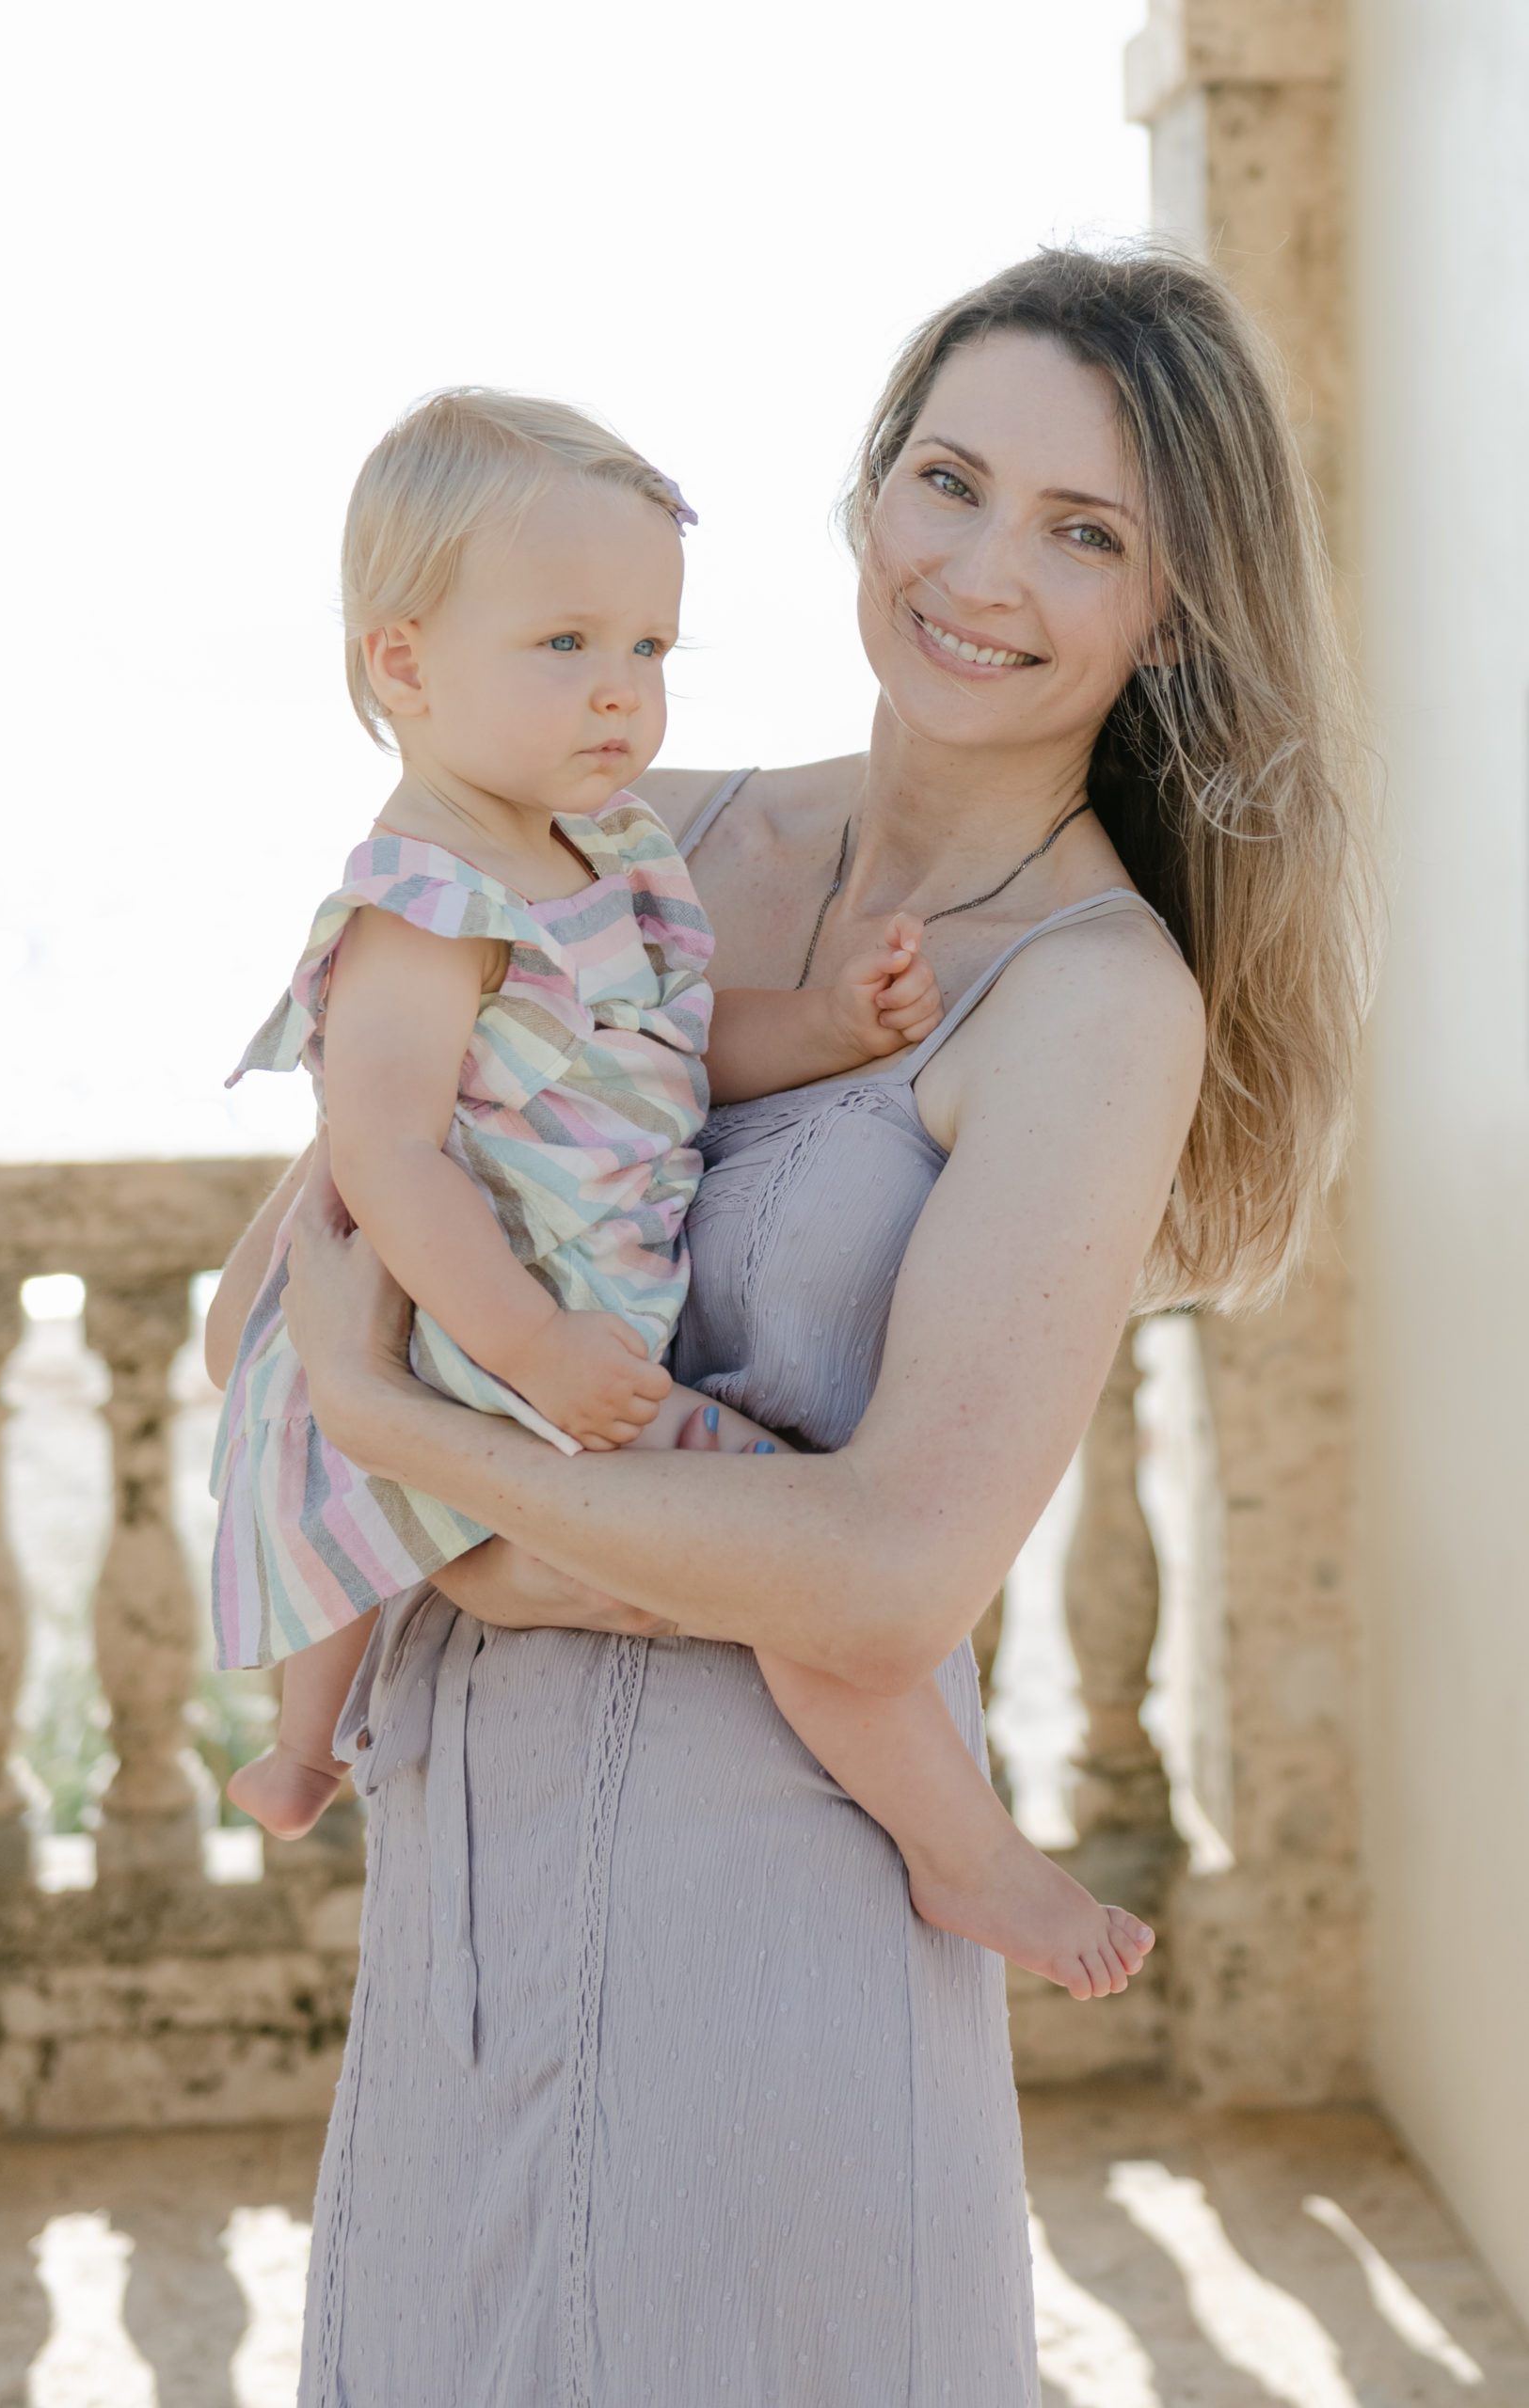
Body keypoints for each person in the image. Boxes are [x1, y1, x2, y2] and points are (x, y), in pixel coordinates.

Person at [207, 246, 1373, 2407]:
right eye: (950, 478)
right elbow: (273, 1296)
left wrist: (407, 1441)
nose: (982, 567)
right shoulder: (630, 837)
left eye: (1085, 529)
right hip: (469, 1906)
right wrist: (431, 1466)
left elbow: (897, 1569)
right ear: (869, 496)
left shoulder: (1093, 1003)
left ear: (1171, 605)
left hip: (776, 1945)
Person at [212, 384, 1154, 2002]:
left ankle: (955, 1851)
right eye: (566, 646)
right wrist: (517, 1354)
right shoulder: (422, 907)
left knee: (817, 1590)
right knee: (746, 1538)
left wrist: (823, 1029)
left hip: (702, 1833)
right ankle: (962, 1849)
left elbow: (672, 1044)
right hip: (513, 1341)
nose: (619, 695)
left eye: (649, 650)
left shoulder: (617, 856)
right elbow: (368, 1183)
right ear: (404, 662)